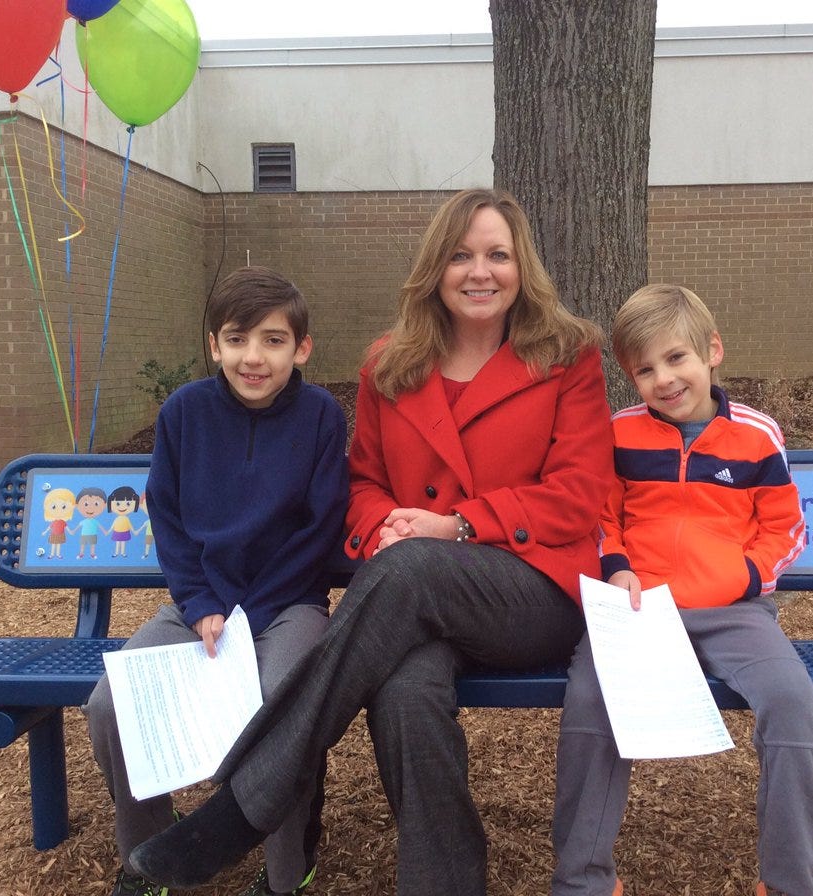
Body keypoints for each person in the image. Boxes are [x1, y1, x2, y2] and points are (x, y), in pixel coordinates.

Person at [128, 188, 615, 895]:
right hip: (414, 599)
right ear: (435, 269)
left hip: (530, 590)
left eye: (497, 255)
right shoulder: (392, 363)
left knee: (413, 568)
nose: (480, 272)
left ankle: (244, 803)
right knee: (405, 691)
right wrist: (383, 527)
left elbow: (578, 496)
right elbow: (360, 487)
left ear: (522, 267)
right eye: (461, 256)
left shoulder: (567, 355)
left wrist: (457, 526)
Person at [550, 284, 813, 896]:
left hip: (736, 612)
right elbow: (602, 515)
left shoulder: (757, 436)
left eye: (676, 358)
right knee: (591, 708)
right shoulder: (618, 432)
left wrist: (746, 577)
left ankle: (790, 881)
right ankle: (583, 881)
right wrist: (617, 567)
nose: (664, 379)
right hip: (636, 609)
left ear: (712, 352)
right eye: (644, 369)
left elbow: (785, 529)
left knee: (794, 708)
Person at [84, 266, 349, 896]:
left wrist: (245, 619)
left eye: (273, 340)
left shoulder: (320, 417)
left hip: (289, 605)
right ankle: (147, 853)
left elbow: (319, 527)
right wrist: (203, 603)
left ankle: (287, 869)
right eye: (236, 339)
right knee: (110, 705)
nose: (252, 357)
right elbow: (168, 517)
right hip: (198, 603)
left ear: (302, 347)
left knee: (284, 699)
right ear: (213, 345)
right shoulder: (184, 413)